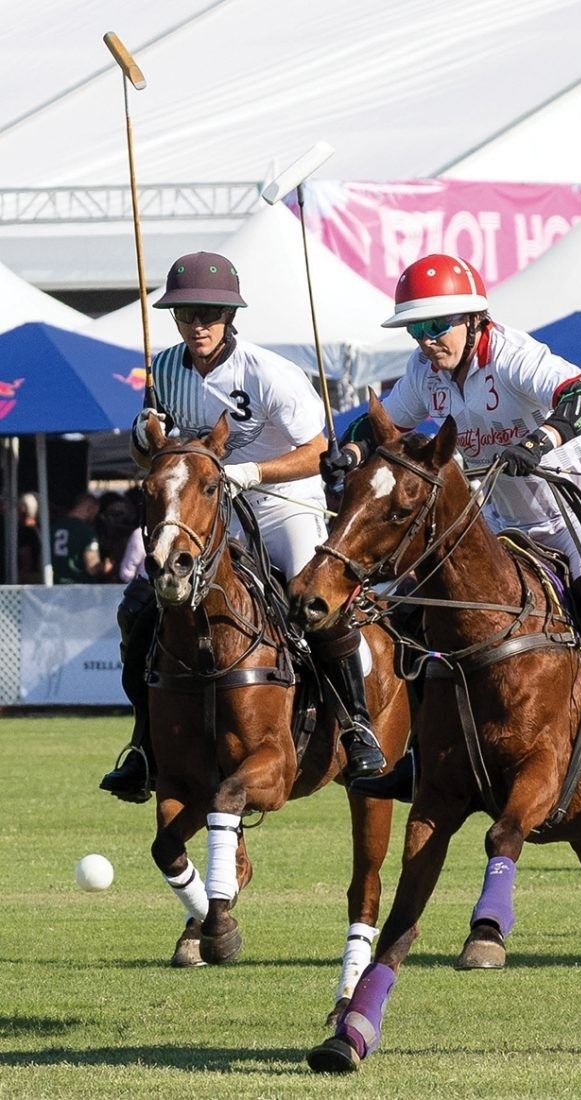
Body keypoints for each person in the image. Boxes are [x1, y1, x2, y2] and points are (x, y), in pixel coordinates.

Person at [323, 252, 581, 798]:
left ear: (472, 320)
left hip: (579, 502)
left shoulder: (512, 355)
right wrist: (350, 450)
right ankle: (423, 752)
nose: (424, 340)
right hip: (504, 515)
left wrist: (541, 441)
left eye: (435, 326)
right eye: (415, 329)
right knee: (414, 612)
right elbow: (382, 422)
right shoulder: (427, 372)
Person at [99, 251, 386, 803]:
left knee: (315, 603)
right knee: (139, 610)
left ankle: (357, 725)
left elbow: (320, 449)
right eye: (186, 315)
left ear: (230, 316)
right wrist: (144, 439)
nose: (197, 324)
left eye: (209, 313)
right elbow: (156, 462)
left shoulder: (270, 373)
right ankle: (143, 748)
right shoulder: (162, 370)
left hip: (283, 504)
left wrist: (250, 472)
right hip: (210, 511)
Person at [51, 493, 103, 584]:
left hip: (56, 587)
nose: (94, 517)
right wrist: (105, 568)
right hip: (79, 589)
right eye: (95, 513)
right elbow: (92, 568)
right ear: (89, 509)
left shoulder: (54, 528)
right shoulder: (86, 531)